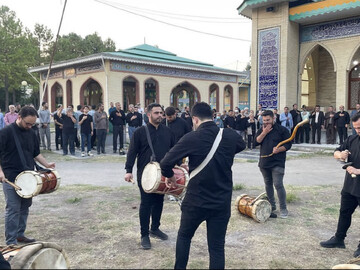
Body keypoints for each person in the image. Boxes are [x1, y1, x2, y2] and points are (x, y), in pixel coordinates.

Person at [160, 102, 246, 269]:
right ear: (213, 116)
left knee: (184, 237)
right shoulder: (229, 135)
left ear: (195, 119)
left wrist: (171, 178)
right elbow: (241, 145)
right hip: (221, 201)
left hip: (195, 200)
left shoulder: (192, 137)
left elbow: (165, 163)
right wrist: (223, 155)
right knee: (216, 247)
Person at [0, 106, 55, 245]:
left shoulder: (31, 132)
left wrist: (47, 164)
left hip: (29, 176)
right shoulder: (5, 133)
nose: (30, 126)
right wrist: (0, 172)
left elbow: (36, 153)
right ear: (19, 117)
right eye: (27, 123)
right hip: (11, 177)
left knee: (25, 207)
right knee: (13, 209)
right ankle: (11, 241)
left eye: (32, 124)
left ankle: (20, 235)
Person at [124, 103, 175, 250]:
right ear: (148, 115)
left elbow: (173, 150)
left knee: (159, 201)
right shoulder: (140, 132)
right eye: (156, 113)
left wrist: (177, 165)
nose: (160, 115)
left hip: (163, 174)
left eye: (161, 113)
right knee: (146, 204)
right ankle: (144, 235)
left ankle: (155, 228)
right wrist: (128, 170)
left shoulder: (168, 131)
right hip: (145, 175)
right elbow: (132, 152)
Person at [319, 113, 360, 258]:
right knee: (344, 212)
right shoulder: (353, 138)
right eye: (355, 128)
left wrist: (358, 170)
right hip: (350, 185)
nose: (358, 130)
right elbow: (336, 151)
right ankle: (339, 239)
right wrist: (340, 155)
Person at [255, 110, 292, 219]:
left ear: (273, 118)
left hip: (277, 162)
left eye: (268, 120)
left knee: (278, 184)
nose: (266, 122)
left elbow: (288, 145)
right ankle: (271, 206)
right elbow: (256, 141)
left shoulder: (282, 130)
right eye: (264, 120)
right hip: (264, 162)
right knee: (268, 184)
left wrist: (279, 149)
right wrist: (264, 132)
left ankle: (283, 208)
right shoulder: (262, 129)